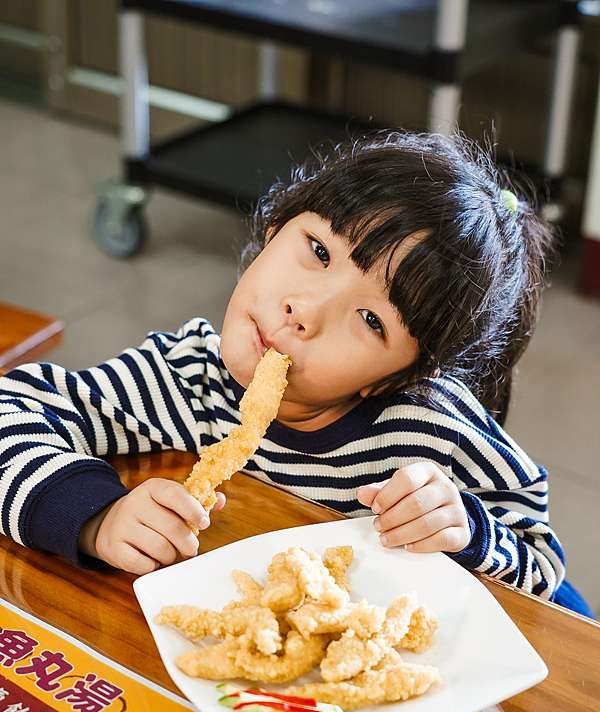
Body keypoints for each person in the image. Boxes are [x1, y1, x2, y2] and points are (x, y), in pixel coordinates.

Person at [0, 131, 593, 617]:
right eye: (318, 251)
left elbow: (545, 573)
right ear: (274, 226)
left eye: (369, 318)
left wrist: (470, 532)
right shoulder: (189, 379)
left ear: (396, 376)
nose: (304, 312)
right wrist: (95, 516)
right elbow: (12, 408)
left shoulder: (432, 431)